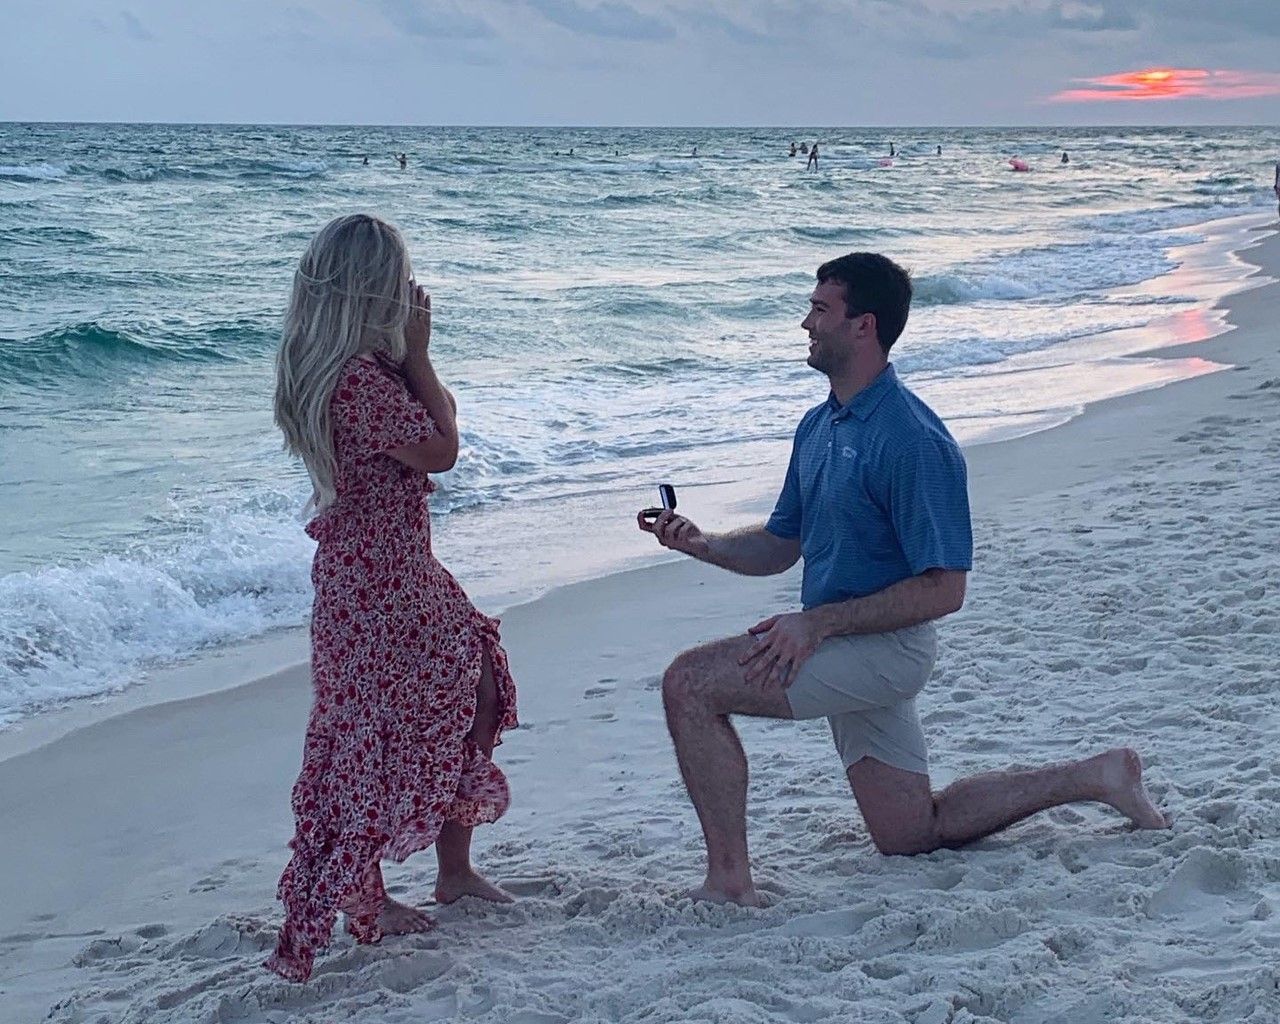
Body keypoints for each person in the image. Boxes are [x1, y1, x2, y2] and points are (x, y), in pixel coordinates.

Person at [639, 252, 1169, 906]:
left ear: (863, 326)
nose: (806, 322)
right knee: (911, 832)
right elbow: (781, 546)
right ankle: (1100, 775)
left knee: (690, 684)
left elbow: (947, 589)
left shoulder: (914, 440)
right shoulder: (819, 425)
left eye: (820, 309)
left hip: (886, 650)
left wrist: (819, 623)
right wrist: (701, 543)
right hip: (838, 643)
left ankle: (728, 882)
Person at [267, 214, 519, 980]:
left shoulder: (354, 373)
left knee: (467, 692)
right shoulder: (360, 383)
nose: (412, 295)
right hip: (380, 583)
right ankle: (363, 893)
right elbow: (442, 449)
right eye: (400, 282)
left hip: (392, 571)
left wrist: (408, 359)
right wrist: (421, 352)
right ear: (369, 290)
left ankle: (450, 870)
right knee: (370, 737)